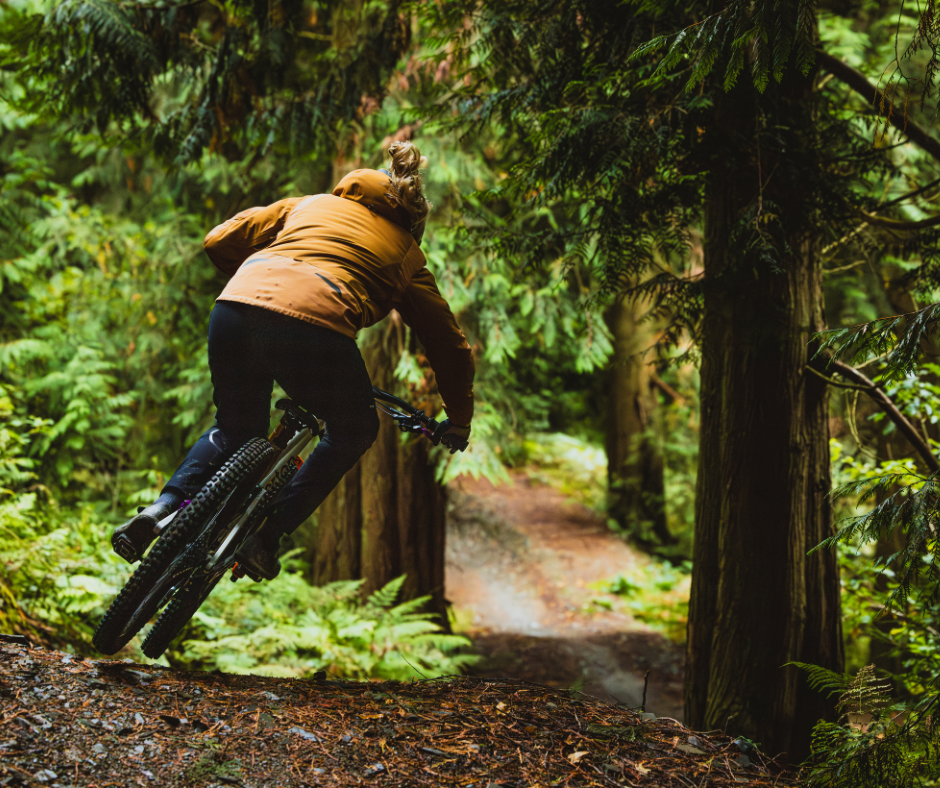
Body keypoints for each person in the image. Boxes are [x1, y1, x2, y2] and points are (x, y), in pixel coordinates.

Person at [111, 142, 474, 581]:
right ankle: (265, 536)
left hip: (235, 308)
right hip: (317, 328)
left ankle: (162, 507)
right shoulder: (406, 253)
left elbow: (218, 240)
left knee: (234, 428)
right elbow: (448, 344)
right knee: (354, 428)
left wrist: (261, 287)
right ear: (413, 222)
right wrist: (458, 420)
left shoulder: (309, 205)